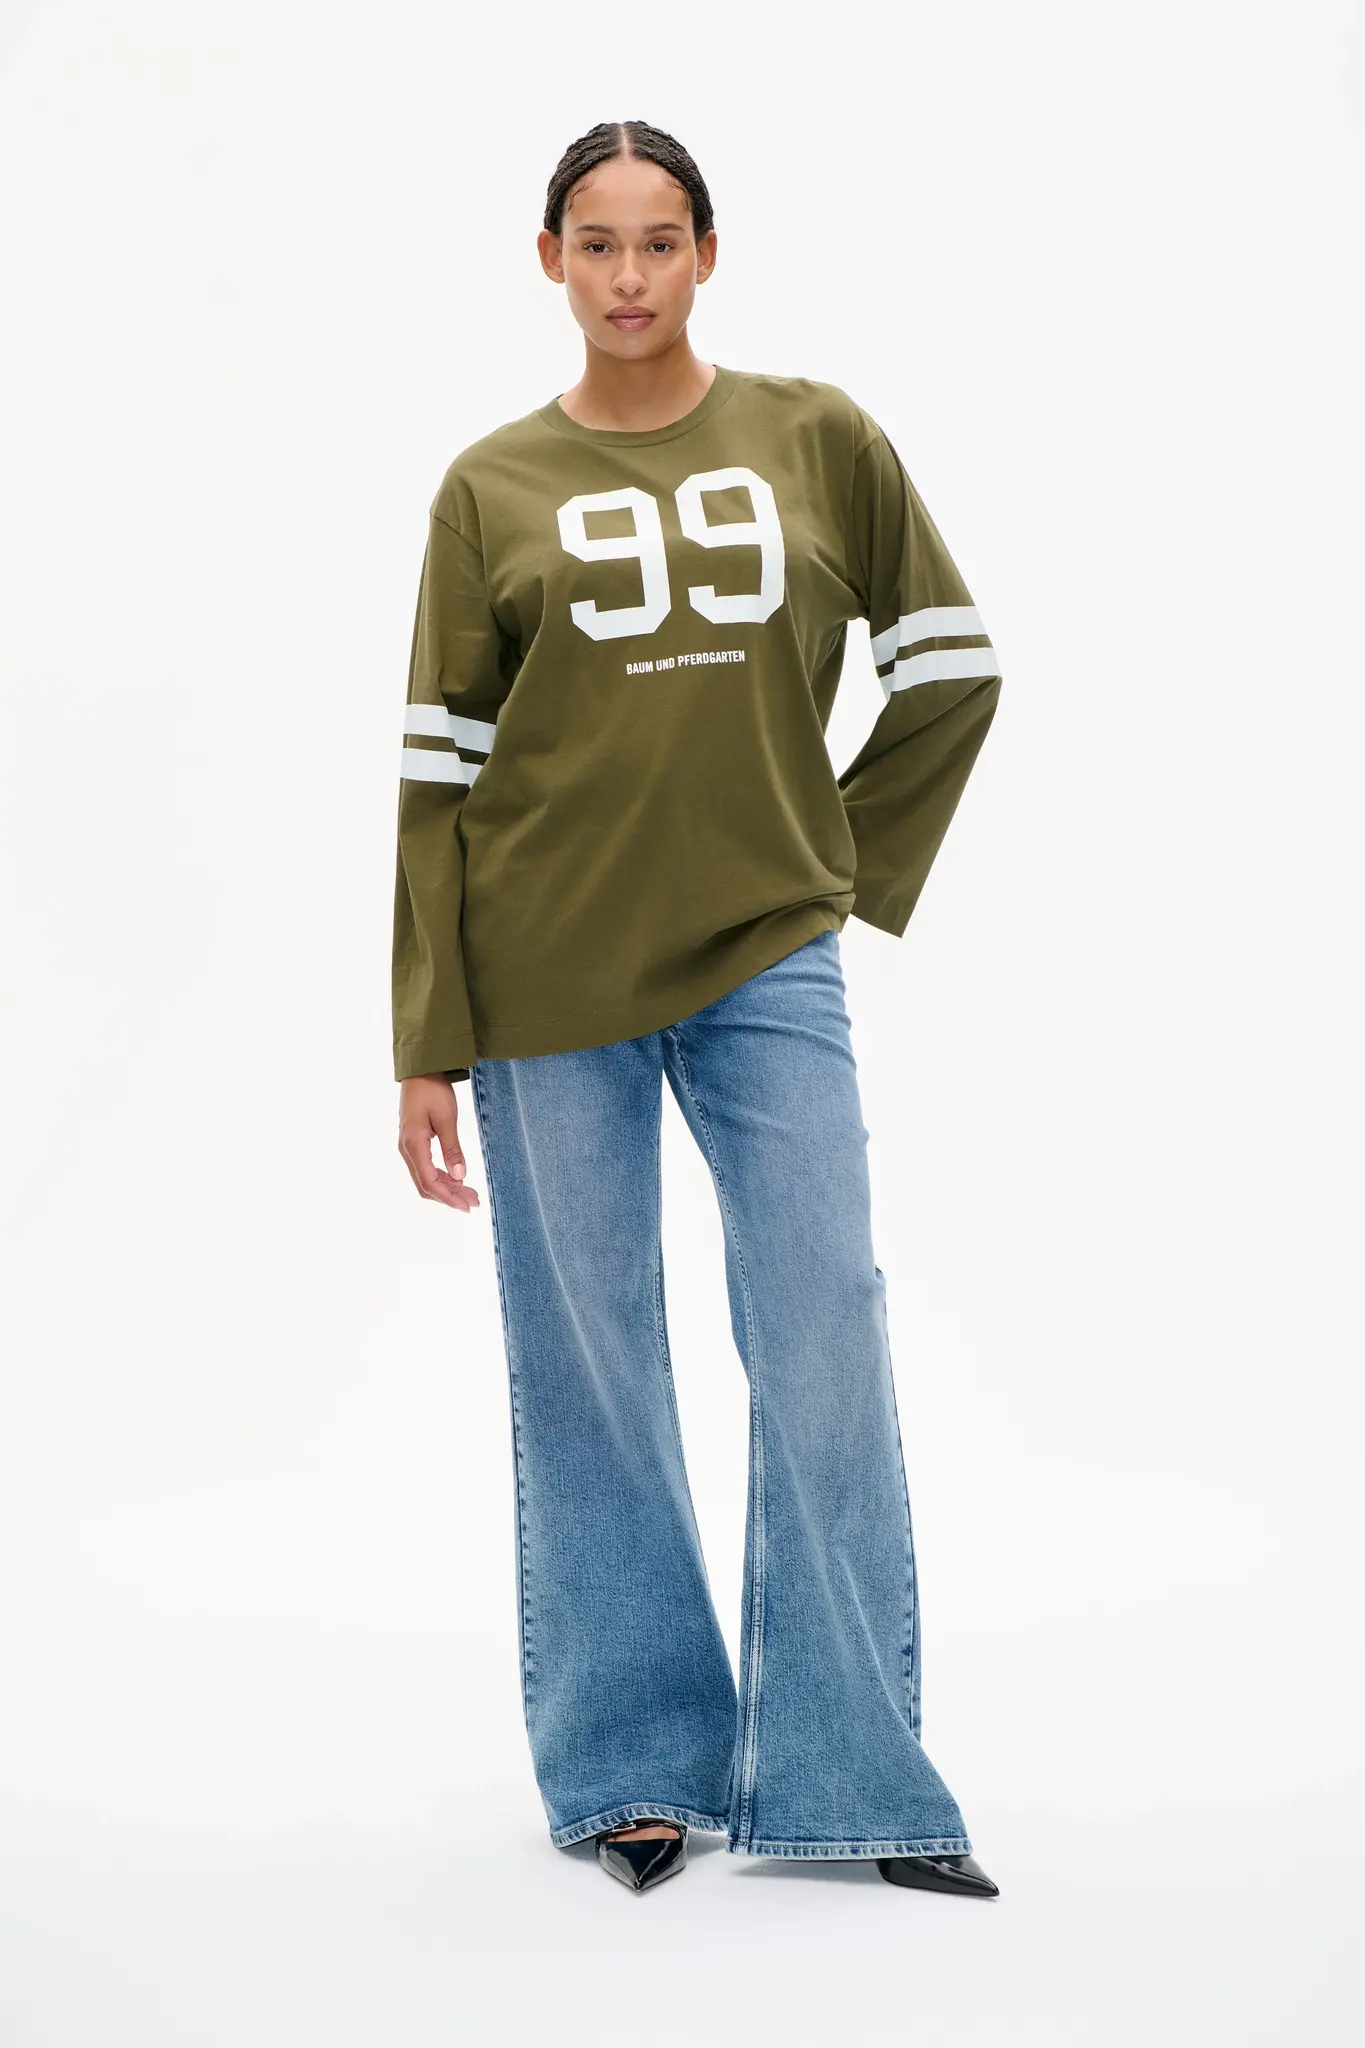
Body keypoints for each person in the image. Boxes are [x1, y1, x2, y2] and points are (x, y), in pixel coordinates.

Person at [392, 120, 1003, 1898]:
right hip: (544, 970)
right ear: (551, 260)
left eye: (660, 241)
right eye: (597, 244)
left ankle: (854, 1778)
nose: (630, 275)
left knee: (824, 1318)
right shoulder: (488, 486)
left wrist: (831, 863)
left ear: (708, 254)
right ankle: (637, 1771)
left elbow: (953, 664)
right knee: (590, 1366)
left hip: (763, 959)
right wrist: (427, 1030)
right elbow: (438, 772)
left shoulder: (819, 435)